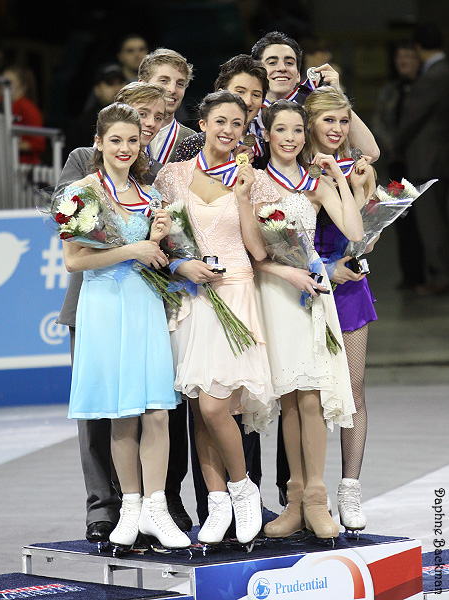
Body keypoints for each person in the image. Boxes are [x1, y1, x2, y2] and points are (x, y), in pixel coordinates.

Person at [62, 103, 191, 554]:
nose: (124, 148)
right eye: (115, 140)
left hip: (144, 304)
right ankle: (130, 507)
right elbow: (75, 260)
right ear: (99, 142)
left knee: (155, 407)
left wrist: (157, 239)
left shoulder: (151, 194)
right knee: (121, 411)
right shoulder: (81, 191)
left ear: (141, 145)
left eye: (132, 141)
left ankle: (156, 507)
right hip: (102, 305)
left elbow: (154, 255)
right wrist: (133, 250)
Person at [153, 91, 279, 546]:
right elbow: (162, 237)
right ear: (202, 123)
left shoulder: (251, 178)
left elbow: (261, 249)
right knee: (199, 407)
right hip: (192, 297)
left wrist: (244, 198)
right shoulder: (173, 175)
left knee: (215, 404)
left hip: (236, 291)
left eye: (238, 124)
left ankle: (243, 489)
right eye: (220, 121)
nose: (228, 130)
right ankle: (216, 500)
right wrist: (179, 264)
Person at [253, 99, 363, 540]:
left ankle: (316, 498)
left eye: (299, 130)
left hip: (312, 293)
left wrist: (337, 177)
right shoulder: (255, 183)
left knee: (312, 395)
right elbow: (252, 252)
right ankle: (295, 500)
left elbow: (354, 232)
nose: (292, 137)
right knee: (288, 398)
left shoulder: (314, 183)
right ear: (268, 134)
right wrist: (284, 270)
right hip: (274, 293)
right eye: (282, 129)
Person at [303, 86, 376, 533]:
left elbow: (366, 237)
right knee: (305, 398)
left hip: (349, 290)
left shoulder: (358, 169)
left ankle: (350, 489)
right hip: (303, 287)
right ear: (310, 123)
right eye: (329, 120)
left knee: (353, 390)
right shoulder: (292, 168)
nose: (337, 129)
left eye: (344, 120)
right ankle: (306, 496)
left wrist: (363, 195)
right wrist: (325, 268)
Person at [251, 31, 380, 160]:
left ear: (297, 75)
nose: (282, 68)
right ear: (258, 73)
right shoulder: (246, 114)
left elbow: (370, 153)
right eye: (272, 63)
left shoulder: (313, 114)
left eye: (289, 63)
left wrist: (337, 94)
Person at [395, 24, 449, 293]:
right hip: (439, 157)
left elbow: (412, 118)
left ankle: (440, 277)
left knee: (432, 222)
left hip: (428, 158)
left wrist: (396, 144)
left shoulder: (435, 75)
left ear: (418, 47)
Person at [372, 40, 425, 291]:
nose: (403, 61)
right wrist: (392, 146)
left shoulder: (426, 88)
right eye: (399, 56)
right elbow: (379, 121)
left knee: (426, 220)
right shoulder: (390, 90)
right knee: (400, 218)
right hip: (397, 164)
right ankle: (409, 275)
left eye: (409, 56)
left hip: (422, 163)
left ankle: (430, 275)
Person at [175, 54, 268, 165]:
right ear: (220, 93)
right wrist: (229, 163)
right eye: (240, 91)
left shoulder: (266, 144)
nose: (248, 102)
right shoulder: (193, 145)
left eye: (256, 95)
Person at [138, 48, 195, 164]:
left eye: (180, 84)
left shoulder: (193, 141)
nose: (172, 90)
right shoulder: (119, 130)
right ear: (142, 85)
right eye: (164, 81)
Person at [64, 64, 127, 159]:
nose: (117, 89)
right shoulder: (83, 125)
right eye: (110, 84)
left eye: (120, 83)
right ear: (97, 90)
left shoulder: (138, 119)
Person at [2, 65, 45, 164]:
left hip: (24, 166)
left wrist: (10, 145)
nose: (3, 86)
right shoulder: (3, 106)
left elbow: (39, 143)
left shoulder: (27, 108)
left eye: (9, 83)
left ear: (23, 86)